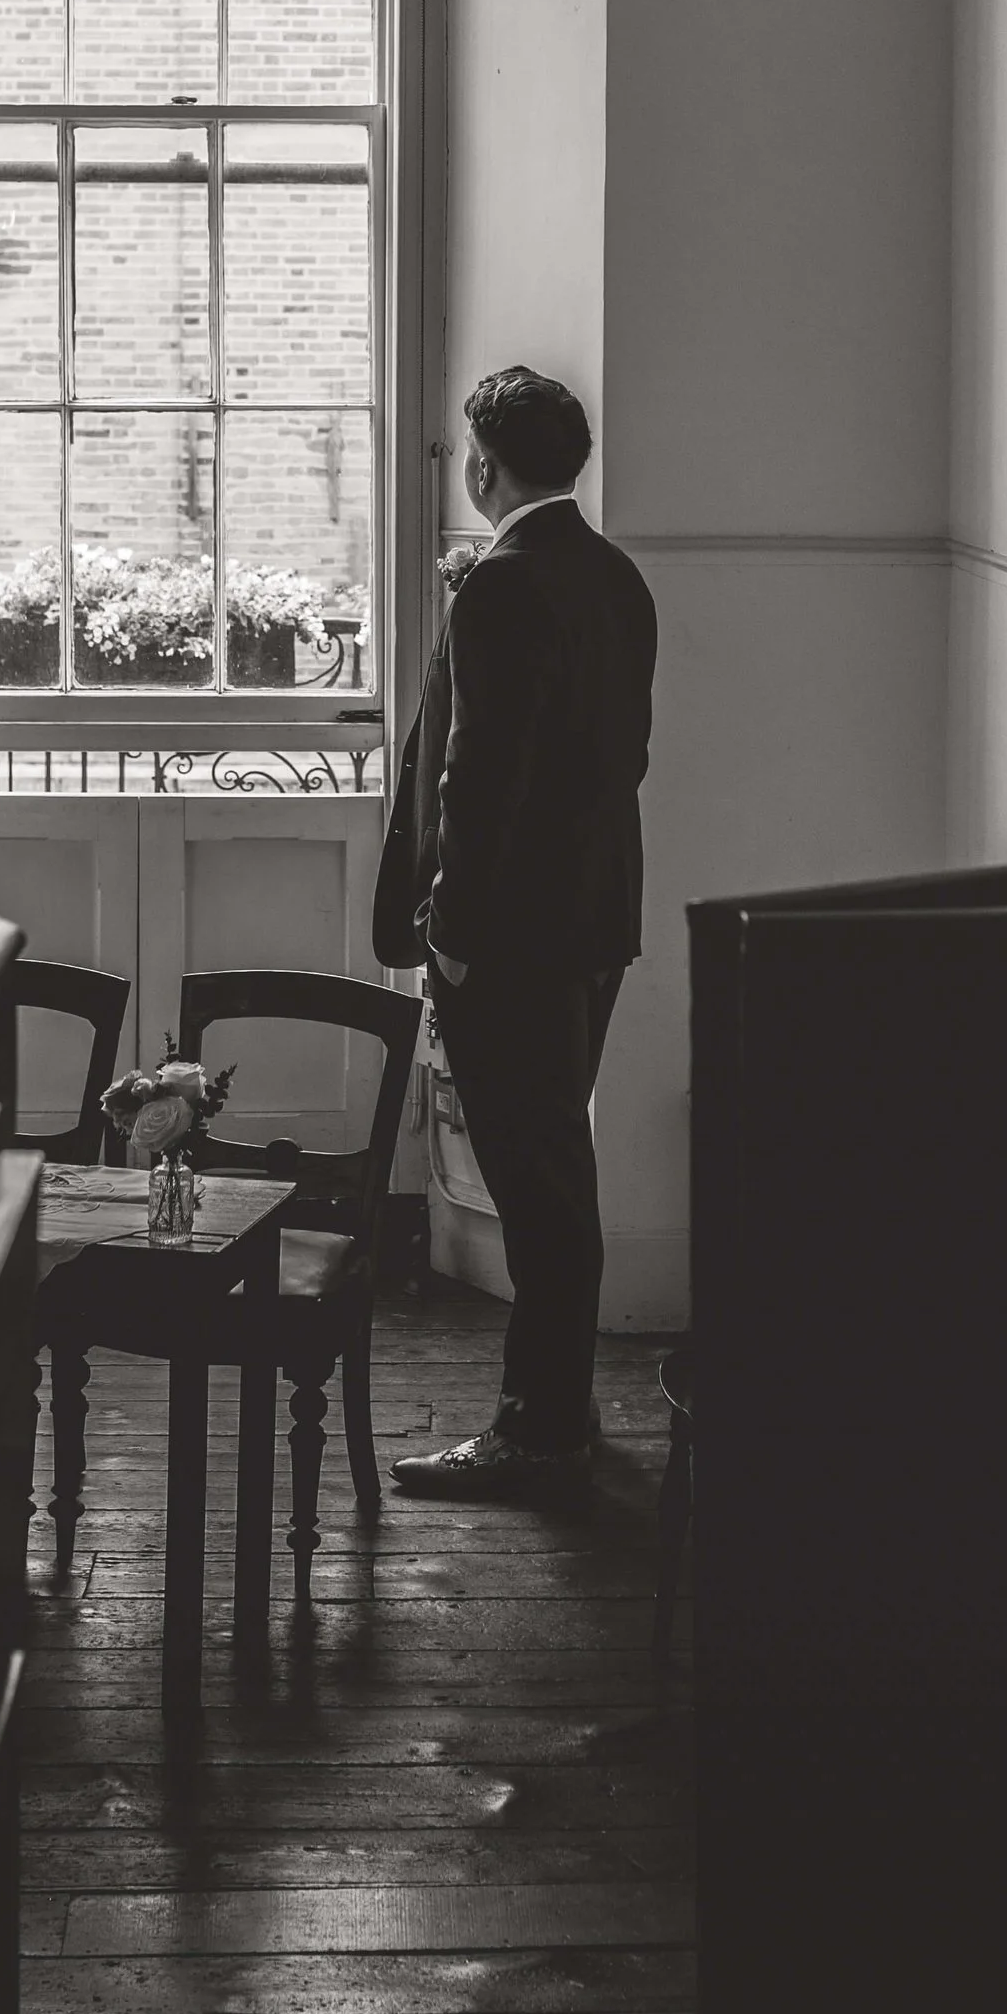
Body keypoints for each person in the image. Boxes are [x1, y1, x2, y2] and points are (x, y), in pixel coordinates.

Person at [373, 366, 659, 1500]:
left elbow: (477, 781)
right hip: (596, 918)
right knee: (557, 1171)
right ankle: (560, 1408)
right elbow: (624, 757)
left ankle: (538, 1433)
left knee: (536, 1185)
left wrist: (452, 934)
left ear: (484, 466)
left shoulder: (500, 586)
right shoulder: (613, 574)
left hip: (513, 938)